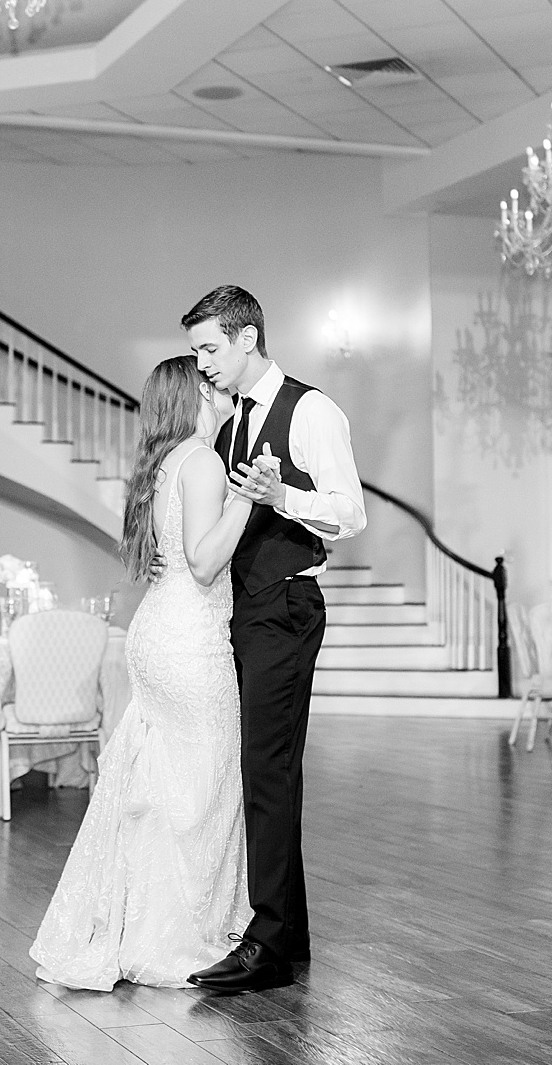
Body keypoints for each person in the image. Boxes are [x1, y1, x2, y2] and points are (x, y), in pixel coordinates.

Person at [29, 355, 254, 990]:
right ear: (193, 395)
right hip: (190, 640)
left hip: (158, 630)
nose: (221, 390)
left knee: (159, 787)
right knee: (204, 788)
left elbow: (175, 557)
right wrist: (247, 497)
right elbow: (206, 563)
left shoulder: (164, 462)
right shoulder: (206, 461)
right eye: (209, 384)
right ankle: (185, 935)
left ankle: (136, 926)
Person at [182, 285, 365, 994]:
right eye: (196, 350)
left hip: (285, 608)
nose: (201, 364)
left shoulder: (310, 410)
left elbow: (351, 512)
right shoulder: (229, 421)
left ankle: (267, 944)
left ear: (248, 337)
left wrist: (282, 494)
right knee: (262, 769)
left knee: (268, 769)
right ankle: (290, 932)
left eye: (210, 348)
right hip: (242, 609)